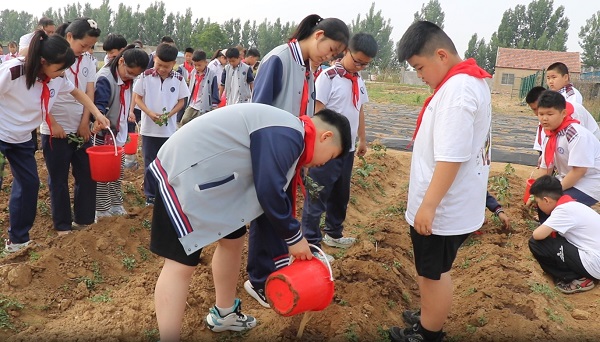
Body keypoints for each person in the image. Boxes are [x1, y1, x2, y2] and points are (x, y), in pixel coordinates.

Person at [148, 103, 351, 341]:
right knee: (180, 265)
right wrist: (294, 238)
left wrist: (291, 238)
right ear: (326, 137)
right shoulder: (287, 134)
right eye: (331, 157)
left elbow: (273, 195)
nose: (324, 164)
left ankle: (224, 314)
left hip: (217, 182)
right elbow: (269, 190)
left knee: (233, 242)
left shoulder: (290, 134)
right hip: (184, 175)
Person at [390, 21, 492, 342]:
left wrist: (428, 206)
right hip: (447, 204)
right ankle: (427, 314)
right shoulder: (464, 83)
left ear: (442, 55)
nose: (419, 76)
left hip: (442, 210)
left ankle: (429, 334)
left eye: (420, 67)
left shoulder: (457, 91)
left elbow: (451, 157)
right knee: (430, 270)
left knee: (433, 274)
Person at [246, 13, 349, 308]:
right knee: (266, 214)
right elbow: (258, 113)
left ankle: (274, 270)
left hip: (291, 154)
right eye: (330, 51)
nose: (329, 58)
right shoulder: (279, 59)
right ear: (319, 36)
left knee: (281, 210)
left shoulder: (307, 68)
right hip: (271, 153)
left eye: (335, 56)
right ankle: (258, 279)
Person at [0, 30, 110, 253]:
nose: (62, 73)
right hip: (1, 135)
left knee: (29, 184)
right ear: (43, 62)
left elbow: (78, 93)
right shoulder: (13, 71)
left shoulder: (57, 77)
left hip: (22, 139)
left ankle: (18, 240)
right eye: (59, 68)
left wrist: (97, 114)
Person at [301, 33, 377, 261]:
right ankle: (311, 243)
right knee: (317, 195)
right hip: (326, 150)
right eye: (358, 61)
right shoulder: (328, 77)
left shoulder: (358, 80)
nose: (360, 67)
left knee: (340, 194)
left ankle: (334, 233)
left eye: (365, 64)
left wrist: (362, 139)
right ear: (347, 52)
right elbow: (318, 113)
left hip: (348, 149)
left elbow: (359, 109)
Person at [41, 18, 101, 235]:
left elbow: (89, 92)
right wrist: (52, 123)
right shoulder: (54, 59)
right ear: (69, 37)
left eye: (90, 47)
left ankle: (84, 220)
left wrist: (86, 122)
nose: (85, 50)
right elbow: (40, 95)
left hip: (81, 129)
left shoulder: (88, 61)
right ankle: (63, 225)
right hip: (55, 132)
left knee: (86, 173)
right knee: (58, 178)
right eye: (83, 45)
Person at [93, 46, 149, 219]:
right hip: (105, 135)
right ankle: (102, 209)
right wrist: (99, 119)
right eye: (130, 72)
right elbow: (99, 104)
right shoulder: (105, 79)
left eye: (135, 75)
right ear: (122, 61)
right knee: (103, 175)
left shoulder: (127, 80)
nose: (131, 77)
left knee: (117, 172)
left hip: (119, 134)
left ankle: (116, 204)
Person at [134, 43, 190, 206]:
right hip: (149, 130)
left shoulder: (179, 79)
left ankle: (166, 194)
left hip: (169, 130)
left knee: (167, 163)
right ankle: (150, 195)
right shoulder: (145, 76)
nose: (162, 69)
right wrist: (149, 113)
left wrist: (169, 115)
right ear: (155, 59)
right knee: (150, 162)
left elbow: (181, 101)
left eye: (166, 66)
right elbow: (137, 97)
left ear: (173, 64)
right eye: (159, 64)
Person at [533, 90, 600, 222]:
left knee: (556, 204)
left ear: (563, 113)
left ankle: (563, 237)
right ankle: (549, 233)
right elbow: (545, 168)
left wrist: (555, 191)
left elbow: (579, 171)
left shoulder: (575, 134)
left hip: (590, 182)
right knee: (543, 200)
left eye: (550, 114)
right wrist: (536, 192)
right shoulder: (550, 135)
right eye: (541, 114)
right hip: (568, 178)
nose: (544, 118)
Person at [528, 175, 599, 294]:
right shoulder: (574, 205)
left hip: (595, 263)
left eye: (537, 202)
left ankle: (576, 278)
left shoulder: (563, 210)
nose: (537, 206)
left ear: (546, 200)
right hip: (596, 257)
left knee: (536, 244)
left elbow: (537, 235)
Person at [526, 86, 600, 159]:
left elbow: (581, 146)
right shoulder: (547, 119)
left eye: (537, 109)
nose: (538, 113)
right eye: (535, 110)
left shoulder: (575, 116)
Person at [179, 50, 220, 126]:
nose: (197, 67)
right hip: (192, 103)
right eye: (195, 65)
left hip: (204, 105)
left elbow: (214, 91)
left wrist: (214, 106)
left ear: (205, 63)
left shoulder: (212, 75)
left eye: (199, 65)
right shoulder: (193, 72)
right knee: (184, 121)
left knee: (198, 125)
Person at [175, 47, 195, 125]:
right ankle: (177, 121)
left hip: (191, 89)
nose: (188, 58)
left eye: (190, 56)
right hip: (183, 88)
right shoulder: (181, 67)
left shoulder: (195, 67)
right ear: (184, 56)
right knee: (182, 105)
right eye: (187, 56)